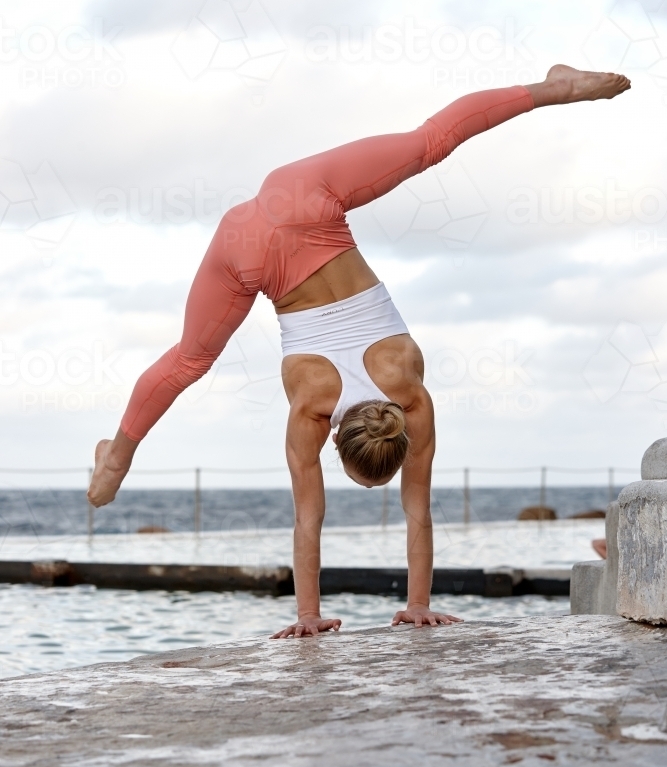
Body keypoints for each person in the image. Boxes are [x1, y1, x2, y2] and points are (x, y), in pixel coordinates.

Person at [88, 65, 631, 637]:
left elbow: (418, 512)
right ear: (333, 440)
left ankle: (554, 90)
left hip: (298, 195)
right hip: (246, 248)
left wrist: (408, 603)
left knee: (429, 142)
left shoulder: (407, 395)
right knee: (191, 360)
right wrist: (309, 615)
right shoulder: (310, 408)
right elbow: (309, 521)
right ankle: (114, 459)